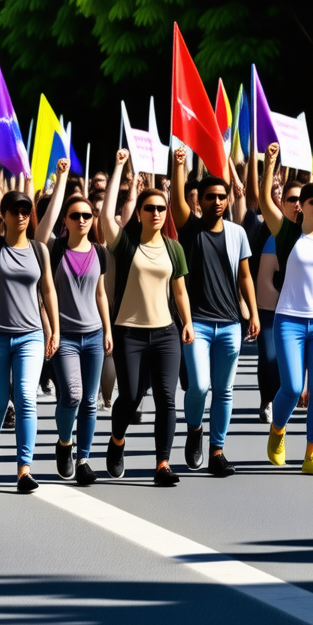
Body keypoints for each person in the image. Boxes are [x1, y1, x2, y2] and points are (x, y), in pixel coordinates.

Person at [256, 143, 313, 475]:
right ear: (303, 206)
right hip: (289, 320)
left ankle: (312, 454)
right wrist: (269, 165)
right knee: (293, 387)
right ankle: (278, 430)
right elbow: (264, 200)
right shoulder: (286, 233)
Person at [100, 149, 194, 486]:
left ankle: (163, 464)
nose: (156, 212)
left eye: (160, 208)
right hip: (130, 334)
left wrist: (187, 323)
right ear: (139, 213)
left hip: (166, 333)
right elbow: (104, 219)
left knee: (167, 399)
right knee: (131, 397)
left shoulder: (174, 248)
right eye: (149, 208)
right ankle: (117, 441)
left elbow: (180, 291)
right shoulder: (125, 244)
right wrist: (119, 167)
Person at [170, 149, 256, 477]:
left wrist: (253, 315)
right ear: (200, 201)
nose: (217, 202)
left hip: (231, 323)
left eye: (222, 197)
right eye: (210, 197)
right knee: (200, 386)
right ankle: (195, 430)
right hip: (198, 324)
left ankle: (217, 451)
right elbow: (177, 200)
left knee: (225, 390)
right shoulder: (190, 228)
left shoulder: (238, 234)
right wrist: (179, 166)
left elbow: (245, 275)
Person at [0, 179, 58, 493]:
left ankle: (24, 469)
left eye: (26, 210)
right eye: (15, 210)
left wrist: (55, 330)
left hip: (31, 336)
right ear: (4, 214)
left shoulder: (39, 249)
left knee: (26, 398)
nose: (22, 215)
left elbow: (48, 290)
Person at [38, 160, 112, 485]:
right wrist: (61, 179)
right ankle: (64, 443)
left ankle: (83, 458)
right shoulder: (53, 250)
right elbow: (41, 231)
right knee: (72, 395)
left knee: (91, 401)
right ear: (65, 220)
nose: (82, 220)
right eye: (75, 215)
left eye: (87, 215)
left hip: (95, 336)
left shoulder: (101, 252)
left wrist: (108, 330)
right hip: (64, 337)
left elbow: (100, 295)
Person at [252, 177, 301, 423]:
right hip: (272, 309)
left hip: (305, 311)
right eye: (292, 199)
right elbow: (264, 283)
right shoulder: (271, 235)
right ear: (281, 204)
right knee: (270, 357)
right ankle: (267, 400)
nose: (298, 205)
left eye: (304, 200)